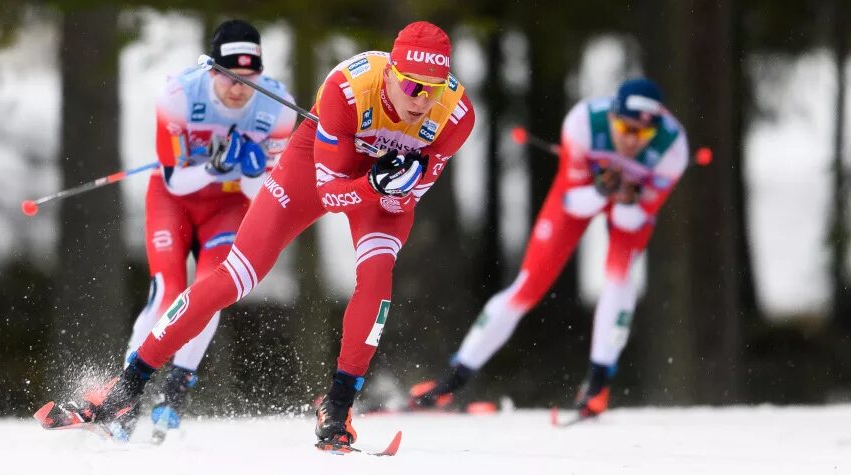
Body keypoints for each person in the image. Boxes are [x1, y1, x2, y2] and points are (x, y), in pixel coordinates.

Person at [58, 21, 475, 449]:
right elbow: (331, 194)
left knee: (377, 279)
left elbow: (400, 204)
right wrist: (376, 183)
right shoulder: (348, 87)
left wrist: (397, 184)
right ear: (390, 73)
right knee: (231, 277)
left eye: (434, 88)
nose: (423, 101)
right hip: (318, 166)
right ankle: (127, 388)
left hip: (380, 189)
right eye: (412, 87)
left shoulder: (457, 114)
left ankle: (337, 407)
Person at [409, 78, 688, 420]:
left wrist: (628, 197)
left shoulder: (673, 149)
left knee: (619, 278)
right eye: (624, 128)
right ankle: (451, 381)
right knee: (527, 285)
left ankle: (597, 386)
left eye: (641, 135)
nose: (631, 140)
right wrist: (602, 189)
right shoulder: (584, 123)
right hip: (581, 194)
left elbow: (633, 221)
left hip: (629, 204)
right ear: (613, 116)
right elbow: (573, 201)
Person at [118, 19, 297, 438]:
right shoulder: (179, 94)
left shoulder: (277, 107)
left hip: (229, 207)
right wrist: (219, 163)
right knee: (167, 294)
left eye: (248, 79)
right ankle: (123, 401)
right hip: (173, 201)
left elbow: (266, 191)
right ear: (211, 71)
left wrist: (250, 169)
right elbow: (175, 179)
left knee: (213, 289)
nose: (239, 89)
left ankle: (175, 392)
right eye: (230, 77)